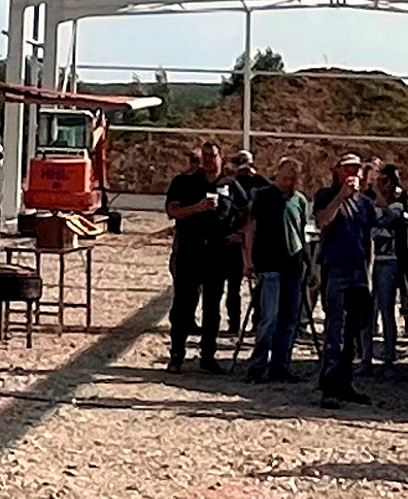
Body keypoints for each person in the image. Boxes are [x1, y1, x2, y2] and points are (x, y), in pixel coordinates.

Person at [315, 160, 388, 405]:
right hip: (336, 266)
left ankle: (345, 381)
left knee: (354, 329)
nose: (352, 173)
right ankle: (330, 384)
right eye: (347, 168)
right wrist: (341, 196)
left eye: (356, 169)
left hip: (358, 269)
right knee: (334, 326)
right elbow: (323, 221)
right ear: (337, 171)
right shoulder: (326, 195)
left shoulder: (365, 204)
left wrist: (368, 274)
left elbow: (370, 239)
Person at [241, 154, 309, 379]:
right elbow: (250, 228)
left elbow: (301, 232)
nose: (289, 181)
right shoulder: (263, 196)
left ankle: (281, 365)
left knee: (289, 319)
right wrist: (248, 260)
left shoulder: (299, 200)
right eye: (287, 176)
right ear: (278, 173)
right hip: (269, 263)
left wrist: (308, 263)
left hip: (293, 264)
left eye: (294, 178)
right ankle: (258, 364)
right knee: (269, 316)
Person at [161, 144, 227, 367]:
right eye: (205, 156)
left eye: (213, 156)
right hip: (190, 252)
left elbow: (243, 212)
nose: (209, 160)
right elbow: (172, 211)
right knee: (183, 305)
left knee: (213, 307)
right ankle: (177, 355)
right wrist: (197, 208)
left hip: (217, 255)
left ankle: (208, 356)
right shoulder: (184, 183)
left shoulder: (229, 184)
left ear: (221, 158)